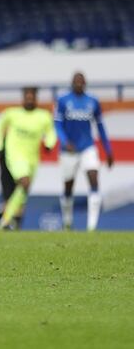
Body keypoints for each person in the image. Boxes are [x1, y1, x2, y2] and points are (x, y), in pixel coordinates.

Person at [55, 72, 113, 231]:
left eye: (81, 81)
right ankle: (67, 223)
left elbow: (100, 127)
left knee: (94, 178)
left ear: (85, 83)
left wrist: (108, 149)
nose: (79, 83)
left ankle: (91, 227)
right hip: (68, 150)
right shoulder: (63, 100)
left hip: (88, 147)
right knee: (68, 186)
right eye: (76, 81)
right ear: (72, 83)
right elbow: (57, 125)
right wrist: (65, 142)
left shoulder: (93, 101)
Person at [0, 87, 57, 230]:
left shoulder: (44, 116)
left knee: (22, 193)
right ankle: (5, 220)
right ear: (23, 98)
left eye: (32, 97)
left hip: (32, 159)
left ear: (35, 98)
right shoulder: (12, 113)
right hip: (14, 156)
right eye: (27, 97)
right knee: (24, 182)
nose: (29, 99)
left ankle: (9, 221)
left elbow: (51, 132)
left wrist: (49, 144)